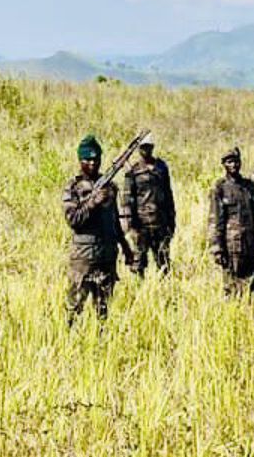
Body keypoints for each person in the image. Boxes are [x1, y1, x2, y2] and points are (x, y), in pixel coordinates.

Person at [61, 135, 121, 321]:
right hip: (83, 259)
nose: (93, 163)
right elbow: (73, 219)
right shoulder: (73, 188)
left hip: (106, 257)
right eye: (88, 159)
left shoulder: (109, 186)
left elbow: (115, 220)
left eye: (96, 159)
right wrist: (92, 202)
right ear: (80, 160)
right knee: (74, 310)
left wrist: (125, 248)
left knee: (103, 311)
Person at [207, 147, 254, 295]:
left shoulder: (248, 186)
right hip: (232, 247)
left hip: (250, 244)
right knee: (232, 287)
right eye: (229, 162)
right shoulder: (220, 188)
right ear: (223, 164)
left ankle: (251, 314)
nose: (234, 165)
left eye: (236, 161)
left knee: (253, 284)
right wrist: (217, 249)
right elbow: (215, 220)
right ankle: (233, 315)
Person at [119, 138, 176, 276]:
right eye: (143, 147)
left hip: (161, 224)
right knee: (138, 264)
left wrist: (172, 221)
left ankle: (165, 292)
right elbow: (127, 201)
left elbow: (168, 195)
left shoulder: (161, 168)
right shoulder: (133, 171)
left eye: (149, 146)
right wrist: (131, 227)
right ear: (138, 149)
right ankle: (140, 292)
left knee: (164, 263)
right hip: (141, 226)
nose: (146, 150)